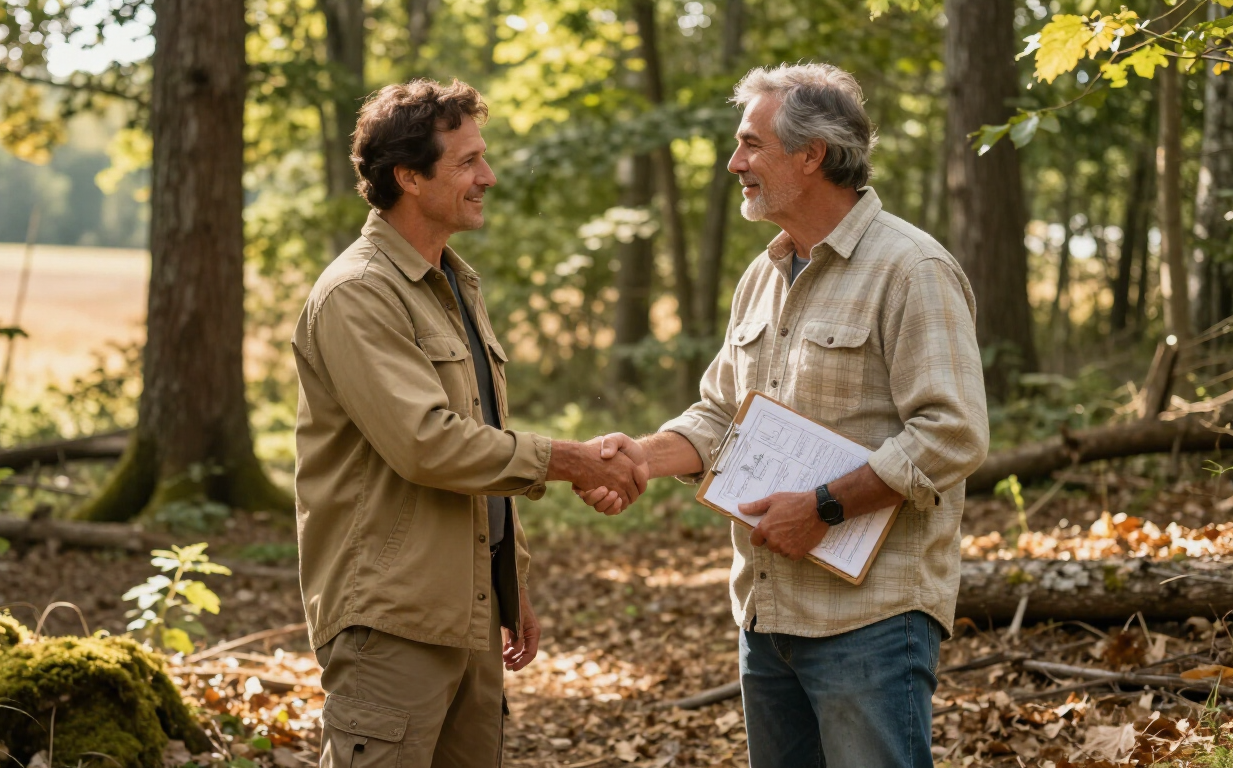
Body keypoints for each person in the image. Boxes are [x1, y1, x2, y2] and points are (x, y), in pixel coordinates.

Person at [577, 63, 990, 768]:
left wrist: (824, 507)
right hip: (766, 614)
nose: (734, 163)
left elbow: (951, 435)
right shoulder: (761, 276)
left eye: (750, 145)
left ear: (811, 155)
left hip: (872, 621)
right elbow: (721, 415)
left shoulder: (911, 268)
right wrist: (641, 456)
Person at [291, 78, 646, 768]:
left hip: (469, 612)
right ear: (408, 177)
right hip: (392, 623)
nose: (489, 176)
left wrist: (511, 583)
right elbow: (426, 444)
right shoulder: (359, 292)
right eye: (467, 162)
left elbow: (480, 437)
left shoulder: (454, 282)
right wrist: (569, 460)